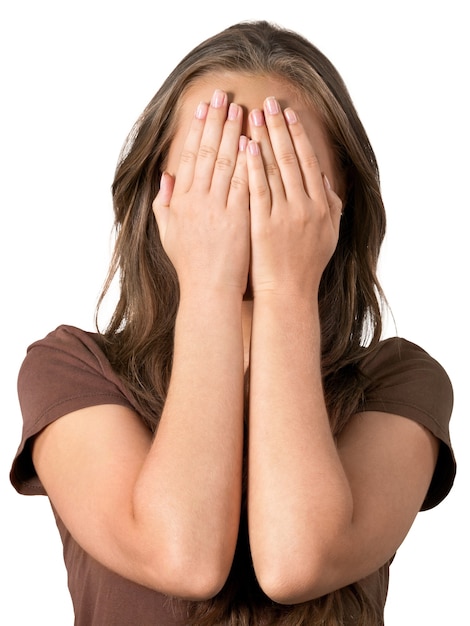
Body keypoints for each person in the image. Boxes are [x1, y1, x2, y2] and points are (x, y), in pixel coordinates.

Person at [10, 20, 455, 626]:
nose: (242, 188)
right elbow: (183, 556)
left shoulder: (400, 381)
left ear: (339, 195)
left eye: (279, 159)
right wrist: (211, 285)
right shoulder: (73, 369)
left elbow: (298, 561)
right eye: (210, 158)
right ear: (157, 187)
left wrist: (285, 287)